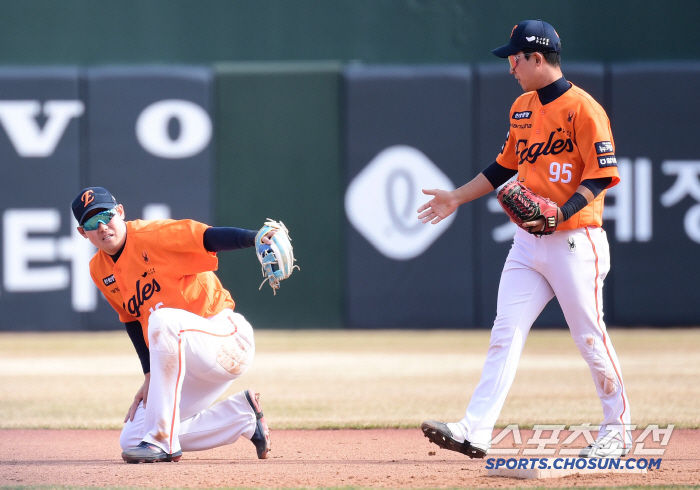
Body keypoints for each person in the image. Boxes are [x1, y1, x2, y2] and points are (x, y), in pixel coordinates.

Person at [417, 20, 631, 459]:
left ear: (536, 57)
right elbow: (503, 167)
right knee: (504, 334)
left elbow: (601, 175)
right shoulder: (522, 107)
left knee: (590, 337)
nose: (510, 65)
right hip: (528, 243)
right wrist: (456, 197)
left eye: (515, 57)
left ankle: (618, 428)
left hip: (576, 241)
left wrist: (561, 213)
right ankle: (474, 430)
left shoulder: (583, 109)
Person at [71, 186, 274, 463]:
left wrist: (255, 237)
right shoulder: (99, 269)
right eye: (92, 223)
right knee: (132, 438)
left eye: (106, 215)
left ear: (120, 212)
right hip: (184, 362)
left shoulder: (153, 235)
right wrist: (149, 375)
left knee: (161, 317)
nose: (103, 226)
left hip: (225, 339)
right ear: (83, 232)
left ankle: (161, 443)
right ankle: (242, 417)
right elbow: (131, 319)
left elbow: (208, 237)